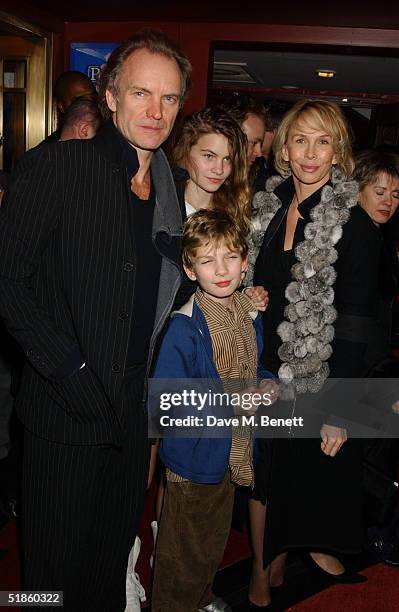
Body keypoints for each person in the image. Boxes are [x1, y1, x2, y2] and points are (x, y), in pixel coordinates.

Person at [0, 28, 191, 612]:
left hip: (132, 412)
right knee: (48, 574)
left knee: (111, 560)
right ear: (110, 96)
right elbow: (8, 281)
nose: (156, 112)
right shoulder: (58, 167)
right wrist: (68, 366)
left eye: (171, 99)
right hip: (65, 404)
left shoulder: (170, 186)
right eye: (141, 94)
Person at [247, 99, 370, 608]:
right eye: (300, 139)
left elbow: (359, 325)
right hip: (262, 364)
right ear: (283, 148)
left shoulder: (355, 224)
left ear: (338, 151)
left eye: (323, 141)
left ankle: (279, 558)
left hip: (315, 373)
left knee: (295, 476)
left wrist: (339, 408)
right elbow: (254, 276)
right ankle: (261, 569)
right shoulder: (268, 207)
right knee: (261, 472)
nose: (310, 153)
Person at [150, 208, 276, 612]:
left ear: (244, 263)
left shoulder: (246, 315)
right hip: (192, 459)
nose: (221, 270)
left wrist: (267, 380)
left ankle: (201, 596)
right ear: (190, 269)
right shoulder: (184, 328)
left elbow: (254, 365)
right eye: (207, 260)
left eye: (230, 257)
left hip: (232, 453)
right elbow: (167, 404)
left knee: (212, 542)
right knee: (180, 552)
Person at [351, 148, 399, 565]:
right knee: (365, 459)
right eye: (379, 190)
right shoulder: (358, 236)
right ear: (358, 190)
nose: (388, 199)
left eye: (395, 193)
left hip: (376, 367)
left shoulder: (379, 238)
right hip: (359, 372)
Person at [45, 70, 97, 142]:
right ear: (62, 107)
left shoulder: (110, 140)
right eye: (79, 100)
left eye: (92, 98)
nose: (88, 105)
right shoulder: (47, 150)